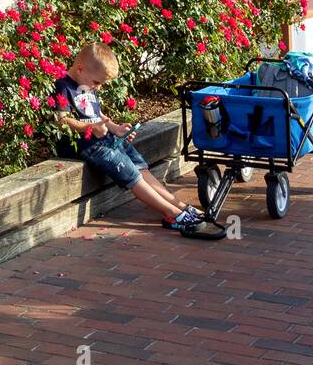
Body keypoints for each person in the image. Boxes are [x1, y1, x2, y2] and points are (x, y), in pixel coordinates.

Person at [54, 40, 204, 232]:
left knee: (141, 168)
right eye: (97, 82)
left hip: (104, 139)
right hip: (87, 145)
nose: (98, 88)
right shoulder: (63, 86)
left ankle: (180, 206)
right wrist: (89, 129)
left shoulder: (86, 84)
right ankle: (172, 214)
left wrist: (115, 128)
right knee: (132, 175)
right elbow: (61, 121)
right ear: (81, 69)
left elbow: (96, 115)